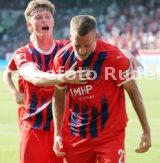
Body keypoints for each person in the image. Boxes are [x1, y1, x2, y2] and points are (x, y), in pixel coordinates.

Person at [5, 0, 142, 163]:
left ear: (53, 22)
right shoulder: (23, 53)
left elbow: (94, 44)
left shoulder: (67, 48)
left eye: (47, 16)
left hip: (63, 128)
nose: (44, 20)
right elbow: (33, 76)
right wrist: (62, 77)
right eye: (38, 18)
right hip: (35, 125)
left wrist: (123, 51)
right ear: (29, 25)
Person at [52, 15, 151, 163]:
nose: (82, 50)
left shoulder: (114, 57)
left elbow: (133, 91)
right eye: (77, 44)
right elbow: (58, 96)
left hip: (110, 135)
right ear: (70, 37)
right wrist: (57, 133)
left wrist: (146, 130)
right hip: (77, 134)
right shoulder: (61, 59)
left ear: (96, 37)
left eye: (87, 45)